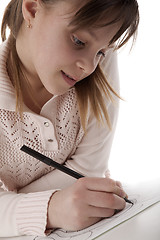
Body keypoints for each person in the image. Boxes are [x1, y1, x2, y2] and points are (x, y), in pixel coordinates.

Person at [0, 0, 139, 237]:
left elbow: (90, 167)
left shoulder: (100, 62)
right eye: (78, 41)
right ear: (32, 9)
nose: (89, 66)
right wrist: (50, 208)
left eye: (100, 52)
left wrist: (12, 205)